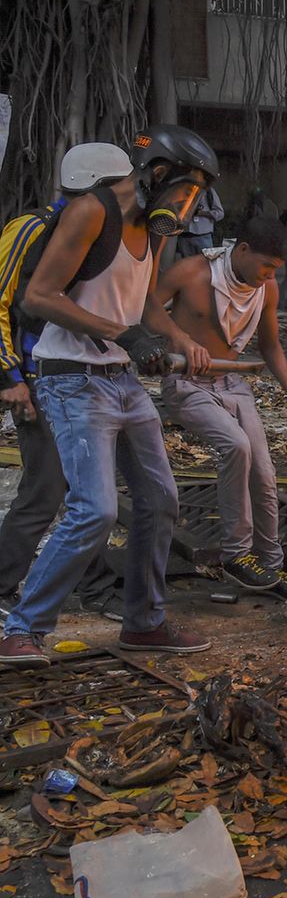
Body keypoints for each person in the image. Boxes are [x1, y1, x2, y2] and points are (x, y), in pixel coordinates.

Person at [0, 124, 221, 667]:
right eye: (186, 192)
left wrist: (179, 338)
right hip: (70, 377)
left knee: (160, 500)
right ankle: (21, 627)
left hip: (121, 378)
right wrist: (121, 334)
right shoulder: (91, 212)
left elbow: (143, 302)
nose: (188, 208)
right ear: (158, 174)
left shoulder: (157, 226)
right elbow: (40, 295)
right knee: (93, 510)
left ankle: (144, 623)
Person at [0, 143, 131, 614]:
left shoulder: (103, 232)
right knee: (46, 489)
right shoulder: (31, 228)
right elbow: (1, 299)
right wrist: (9, 377)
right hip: (37, 375)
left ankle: (93, 587)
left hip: (81, 377)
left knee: (87, 489)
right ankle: (3, 582)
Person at [153, 217, 287, 590]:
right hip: (186, 382)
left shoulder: (266, 288)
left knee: (264, 472)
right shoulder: (191, 272)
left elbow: (270, 344)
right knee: (236, 446)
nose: (270, 276)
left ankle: (271, 561)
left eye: (276, 270)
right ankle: (236, 555)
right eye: (267, 266)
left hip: (233, 383)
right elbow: (145, 309)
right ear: (242, 251)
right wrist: (178, 338)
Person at [175, 184, 224, 263]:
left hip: (203, 236)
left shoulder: (208, 191)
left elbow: (220, 213)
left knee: (207, 264)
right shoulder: (181, 190)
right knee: (187, 266)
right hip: (184, 236)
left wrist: (201, 213)